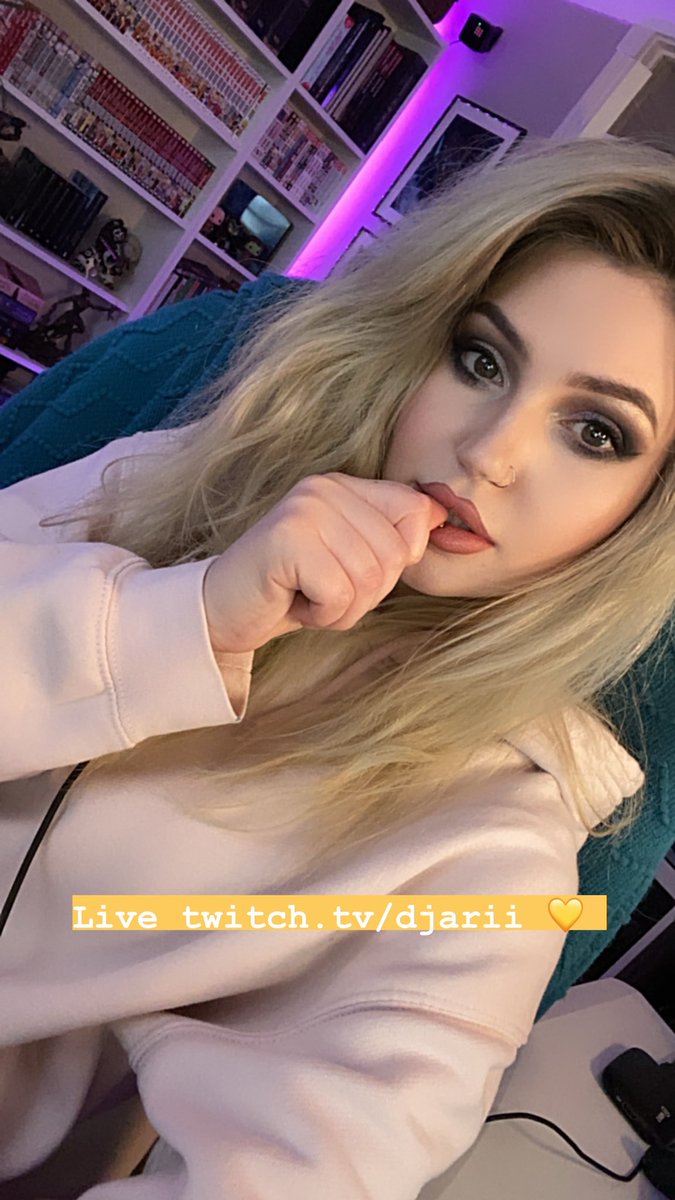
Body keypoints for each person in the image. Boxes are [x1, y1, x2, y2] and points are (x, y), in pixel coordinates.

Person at [0, 133, 673, 1199]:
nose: (489, 452)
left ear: (646, 513)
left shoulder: (496, 846)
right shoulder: (180, 469)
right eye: (482, 361)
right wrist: (185, 618)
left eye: (594, 433)